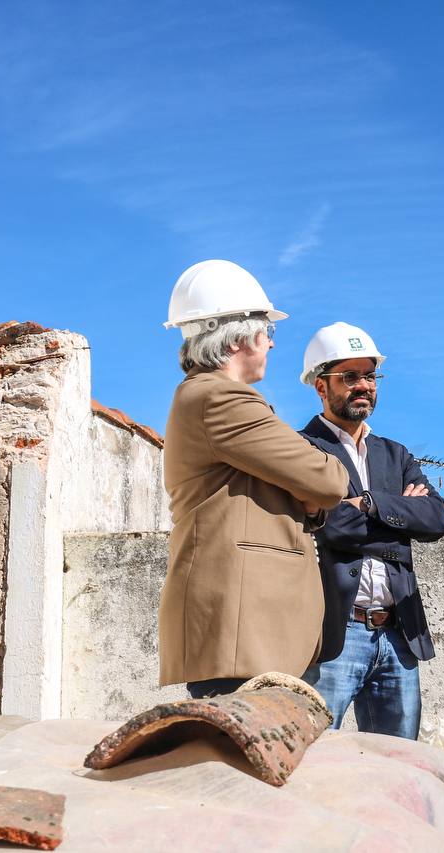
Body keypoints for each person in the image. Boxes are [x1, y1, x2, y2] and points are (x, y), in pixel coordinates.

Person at [157, 259, 349, 699]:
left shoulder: (207, 397)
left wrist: (307, 495)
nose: (272, 344)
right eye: (268, 333)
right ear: (239, 337)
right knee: (242, 765)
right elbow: (329, 479)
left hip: (250, 632)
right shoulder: (220, 397)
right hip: (243, 631)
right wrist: (310, 493)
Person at [298, 322, 444, 739]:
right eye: (350, 376)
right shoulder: (302, 449)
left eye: (369, 375)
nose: (363, 385)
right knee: (315, 755)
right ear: (321, 387)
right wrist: (401, 512)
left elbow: (436, 519)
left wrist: (367, 503)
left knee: (400, 766)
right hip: (336, 635)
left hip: (398, 633)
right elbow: (333, 529)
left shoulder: (394, 453)